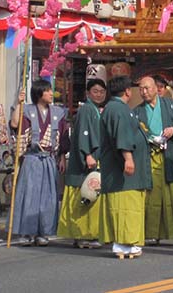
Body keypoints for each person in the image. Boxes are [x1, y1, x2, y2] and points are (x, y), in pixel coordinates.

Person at [98, 75, 152, 258]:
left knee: (129, 206)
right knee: (126, 207)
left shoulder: (117, 108)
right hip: (122, 172)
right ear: (127, 91)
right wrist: (128, 158)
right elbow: (122, 135)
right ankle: (125, 243)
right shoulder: (118, 109)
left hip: (125, 172)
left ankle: (125, 243)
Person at [9, 79, 69, 246]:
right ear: (38, 93)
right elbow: (15, 124)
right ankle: (27, 231)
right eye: (48, 91)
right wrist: (18, 102)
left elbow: (64, 135)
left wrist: (62, 156)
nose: (51, 94)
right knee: (29, 195)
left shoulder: (58, 112)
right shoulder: (27, 110)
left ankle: (44, 231)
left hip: (49, 158)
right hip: (32, 158)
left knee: (48, 197)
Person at [134, 76, 173, 245]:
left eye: (147, 88)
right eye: (141, 89)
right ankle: (152, 232)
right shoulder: (137, 111)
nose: (144, 92)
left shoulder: (171, 106)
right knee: (152, 197)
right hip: (149, 156)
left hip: (168, 155)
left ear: (157, 88)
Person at [58, 78, 106, 248]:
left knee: (90, 196)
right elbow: (83, 134)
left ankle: (89, 234)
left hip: (93, 158)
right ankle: (82, 234)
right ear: (88, 93)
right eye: (95, 91)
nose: (99, 94)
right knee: (84, 196)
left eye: (101, 91)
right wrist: (87, 154)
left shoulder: (95, 110)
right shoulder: (86, 109)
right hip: (85, 161)